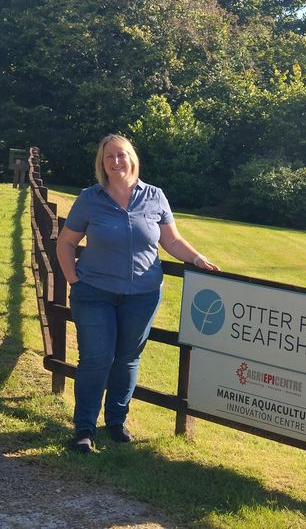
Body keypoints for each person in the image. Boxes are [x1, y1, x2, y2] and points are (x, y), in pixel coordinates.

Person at [56, 134, 219, 454]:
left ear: (132, 157)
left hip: (142, 295)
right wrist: (74, 281)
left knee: (128, 358)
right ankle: (84, 428)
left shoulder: (155, 196)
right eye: (108, 157)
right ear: (101, 164)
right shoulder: (90, 198)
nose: (116, 162)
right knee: (96, 358)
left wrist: (197, 258)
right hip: (94, 293)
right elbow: (65, 242)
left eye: (121, 155)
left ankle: (116, 422)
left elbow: (171, 241)